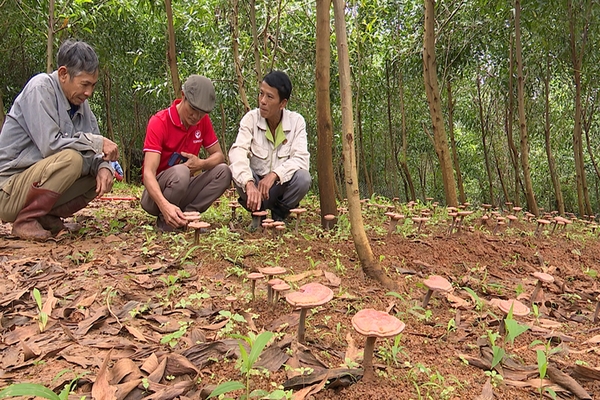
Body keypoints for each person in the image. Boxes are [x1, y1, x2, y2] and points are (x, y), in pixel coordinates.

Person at [0, 39, 118, 241]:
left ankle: (47, 217)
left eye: (93, 85)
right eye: (84, 84)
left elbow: (96, 154)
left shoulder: (81, 103)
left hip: (35, 184)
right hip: (8, 190)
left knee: (97, 175)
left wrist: (105, 167)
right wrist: (97, 143)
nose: (89, 92)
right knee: (72, 159)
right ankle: (25, 220)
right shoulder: (40, 88)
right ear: (63, 74)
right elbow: (51, 146)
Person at [141, 75, 231, 232]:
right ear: (183, 96)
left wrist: (201, 164)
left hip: (184, 188)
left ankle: (188, 216)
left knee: (224, 171)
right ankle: (166, 220)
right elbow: (148, 173)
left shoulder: (202, 122)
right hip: (155, 197)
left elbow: (219, 156)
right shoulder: (159, 122)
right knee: (181, 171)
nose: (196, 117)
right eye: (193, 109)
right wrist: (164, 205)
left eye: (201, 113)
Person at [229, 70, 310, 223]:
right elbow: (237, 152)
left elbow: (301, 159)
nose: (262, 101)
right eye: (261, 94)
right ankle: (257, 213)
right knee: (234, 169)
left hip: (279, 189)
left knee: (303, 178)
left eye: (269, 97)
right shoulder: (250, 119)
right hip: (255, 189)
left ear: (282, 103)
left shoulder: (296, 122)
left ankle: (279, 214)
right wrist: (249, 183)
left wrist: (274, 175)